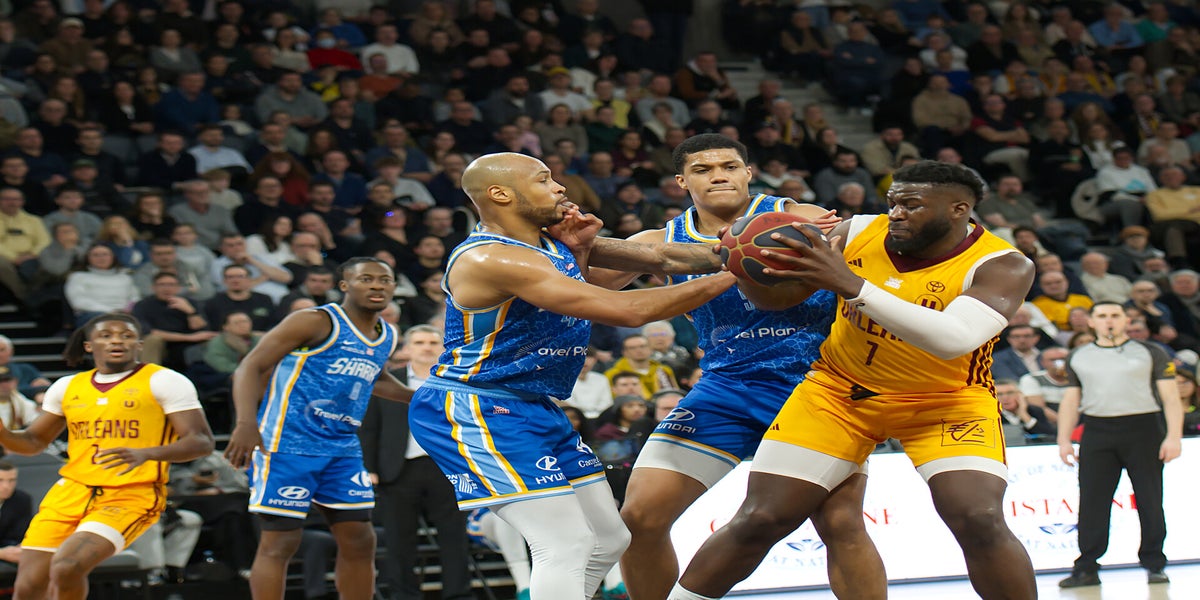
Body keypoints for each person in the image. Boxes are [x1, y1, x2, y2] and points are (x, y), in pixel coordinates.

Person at [666, 160, 1038, 600]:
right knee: (761, 518)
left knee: (978, 518)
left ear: (959, 209)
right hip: (838, 393)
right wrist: (750, 262)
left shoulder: (1003, 264)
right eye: (892, 202)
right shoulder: (858, 231)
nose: (896, 213)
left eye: (911, 205)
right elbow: (780, 298)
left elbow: (953, 339)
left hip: (945, 402)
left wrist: (852, 285)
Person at [555, 133, 885, 600]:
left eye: (729, 167)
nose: (718, 176)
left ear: (748, 173)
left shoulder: (800, 216)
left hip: (816, 387)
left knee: (841, 523)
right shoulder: (659, 241)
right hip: (726, 388)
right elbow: (587, 286)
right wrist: (573, 245)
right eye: (703, 170)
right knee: (639, 518)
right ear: (681, 181)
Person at [407, 152, 737, 600]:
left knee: (610, 539)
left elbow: (648, 261)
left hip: (534, 405)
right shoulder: (492, 258)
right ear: (501, 194)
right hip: (475, 403)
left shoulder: (549, 243)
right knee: (564, 544)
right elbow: (627, 310)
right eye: (544, 179)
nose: (560, 187)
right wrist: (737, 270)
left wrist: (580, 253)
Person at [222, 258, 413, 600]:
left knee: (361, 539)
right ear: (344, 285)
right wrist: (246, 423)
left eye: (385, 280)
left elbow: (376, 377)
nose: (376, 285)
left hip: (342, 447)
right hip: (287, 442)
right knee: (281, 541)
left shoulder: (387, 334)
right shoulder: (314, 320)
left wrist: (418, 398)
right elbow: (250, 366)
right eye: (366, 279)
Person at [0, 313, 214, 600]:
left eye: (126, 336)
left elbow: (202, 442)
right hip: (71, 491)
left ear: (139, 344)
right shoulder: (67, 386)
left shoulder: (164, 380)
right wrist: (3, 431)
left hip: (129, 495)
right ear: (89, 345)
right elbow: (33, 442)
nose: (117, 341)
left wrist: (147, 453)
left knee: (67, 566)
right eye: (106, 335)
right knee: (29, 587)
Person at [1056, 302, 1183, 588]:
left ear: (1126, 320)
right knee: (1092, 501)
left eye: (1115, 315)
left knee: (1150, 499)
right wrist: (1063, 439)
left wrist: (1173, 436)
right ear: (1091, 322)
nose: (1109, 320)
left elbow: (1171, 398)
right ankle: (1087, 566)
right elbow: (1071, 400)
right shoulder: (1079, 355)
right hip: (1097, 429)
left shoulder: (1151, 352)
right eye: (1102, 316)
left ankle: (1154, 563)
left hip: (1144, 428)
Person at [358, 324, 471, 600]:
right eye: (419, 342)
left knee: (454, 537)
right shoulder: (388, 380)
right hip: (398, 469)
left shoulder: (458, 379)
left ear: (443, 348)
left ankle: (458, 595)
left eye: (432, 342)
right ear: (407, 349)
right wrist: (369, 467)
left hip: (448, 468)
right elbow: (370, 427)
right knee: (399, 540)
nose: (426, 348)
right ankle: (403, 596)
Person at [0, 461, 33, 576]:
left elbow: (19, 534)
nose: (6, 486)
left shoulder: (22, 500)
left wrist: (22, 547)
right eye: (0, 480)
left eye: (11, 480)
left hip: (8, 548)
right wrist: (2, 553)